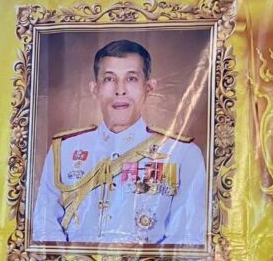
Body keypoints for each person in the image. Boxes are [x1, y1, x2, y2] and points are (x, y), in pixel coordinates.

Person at [31, 39, 207, 246]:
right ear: (94, 88)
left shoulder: (182, 154)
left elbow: (186, 237)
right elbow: (45, 224)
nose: (120, 90)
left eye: (131, 79)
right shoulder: (65, 150)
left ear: (149, 87)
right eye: (109, 79)